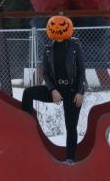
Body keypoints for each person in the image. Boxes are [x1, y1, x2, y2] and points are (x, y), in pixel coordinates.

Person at [22, 15, 87, 164]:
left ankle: (70, 158)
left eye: (62, 25)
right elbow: (45, 72)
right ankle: (25, 127)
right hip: (56, 90)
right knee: (28, 93)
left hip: (72, 91)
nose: (57, 28)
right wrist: (52, 90)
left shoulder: (75, 46)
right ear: (49, 29)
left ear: (68, 27)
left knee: (71, 126)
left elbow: (81, 71)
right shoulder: (47, 49)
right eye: (54, 25)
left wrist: (79, 92)